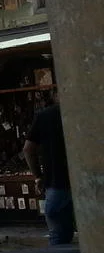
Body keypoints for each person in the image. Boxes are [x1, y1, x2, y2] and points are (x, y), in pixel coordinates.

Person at [23, 94, 74, 244]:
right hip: (87, 181)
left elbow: (28, 149)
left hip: (57, 183)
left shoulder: (45, 116)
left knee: (58, 236)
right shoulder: (86, 111)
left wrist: (38, 176)